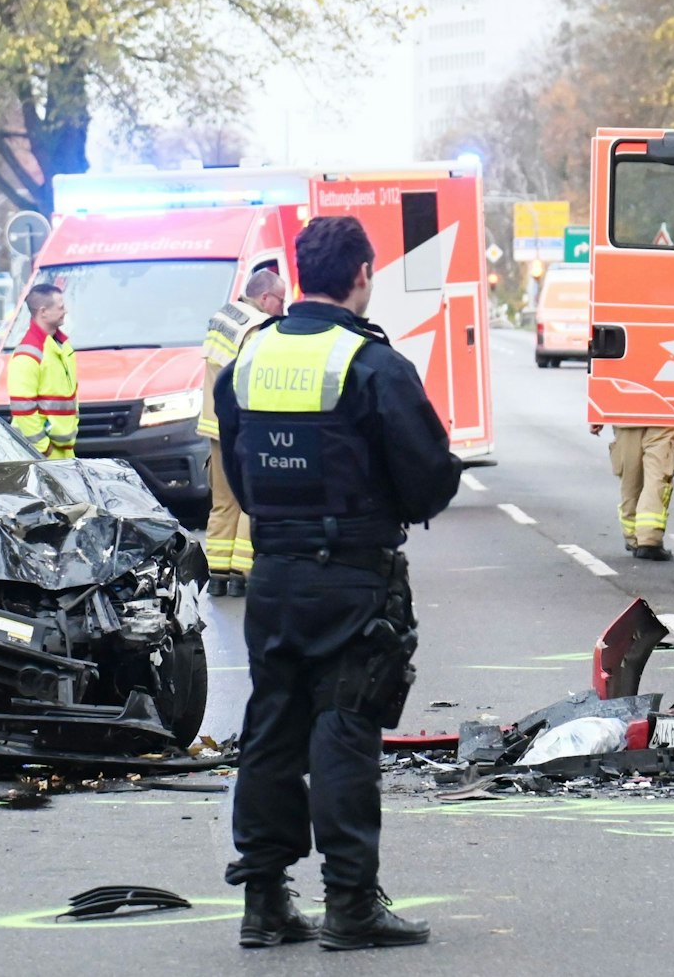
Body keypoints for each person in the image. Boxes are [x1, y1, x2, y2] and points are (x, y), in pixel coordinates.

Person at [213, 216, 461, 951]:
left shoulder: (248, 362)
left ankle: (264, 900)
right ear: (361, 274)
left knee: (271, 726)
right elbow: (427, 479)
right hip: (352, 576)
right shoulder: (372, 365)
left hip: (275, 575)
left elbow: (240, 466)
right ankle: (351, 902)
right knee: (344, 728)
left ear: (297, 274)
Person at [199, 268, 287, 596]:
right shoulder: (256, 327)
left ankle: (217, 574)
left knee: (223, 502)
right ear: (265, 298)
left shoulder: (223, 316)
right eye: (281, 300)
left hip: (214, 424)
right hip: (243, 425)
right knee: (252, 498)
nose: (284, 307)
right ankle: (243, 576)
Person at [8, 284, 77, 458]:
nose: (66, 311)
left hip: (62, 450)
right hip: (42, 455)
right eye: (60, 307)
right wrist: (44, 449)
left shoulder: (61, 346)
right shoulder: (29, 354)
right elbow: (23, 410)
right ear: (43, 312)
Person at [607, 424, 674, 560]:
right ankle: (648, 539)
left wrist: (598, 415)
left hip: (625, 412)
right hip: (664, 412)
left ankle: (633, 537)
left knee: (630, 474)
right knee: (657, 474)